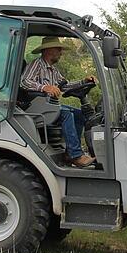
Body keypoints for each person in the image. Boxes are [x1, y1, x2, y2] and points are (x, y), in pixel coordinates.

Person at [21, 36, 96, 168]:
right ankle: (76, 156)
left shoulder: (54, 71)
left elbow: (65, 86)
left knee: (79, 114)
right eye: (59, 49)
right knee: (66, 113)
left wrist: (83, 82)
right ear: (49, 50)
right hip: (35, 106)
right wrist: (44, 87)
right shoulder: (36, 64)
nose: (61, 52)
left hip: (49, 106)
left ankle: (70, 152)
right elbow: (24, 81)